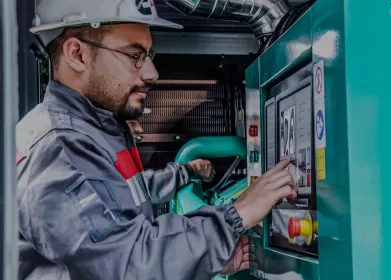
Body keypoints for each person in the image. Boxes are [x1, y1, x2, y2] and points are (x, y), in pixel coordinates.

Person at [16, 0, 298, 280]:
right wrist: (237, 215)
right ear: (77, 54)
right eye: (133, 55)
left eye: (150, 55)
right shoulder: (58, 146)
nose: (152, 73)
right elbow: (124, 266)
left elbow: (128, 229)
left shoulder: (97, 133)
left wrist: (200, 257)